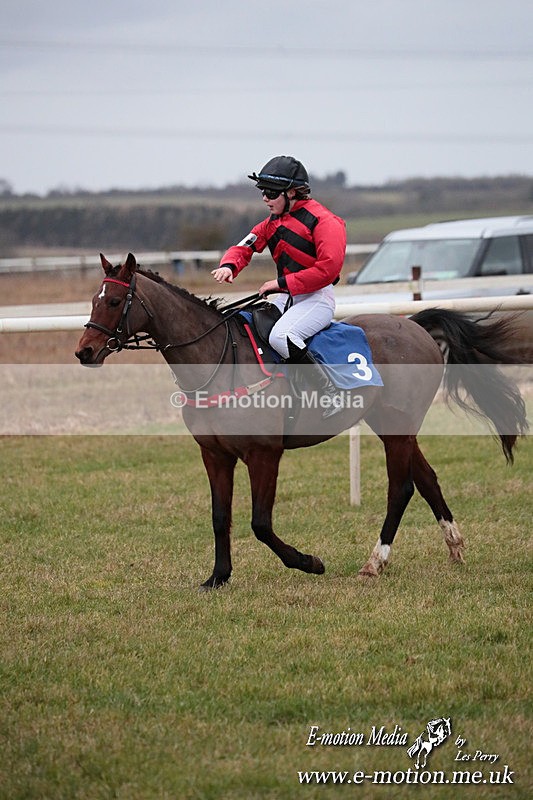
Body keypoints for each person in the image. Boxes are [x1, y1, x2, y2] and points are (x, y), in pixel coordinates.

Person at [212, 155, 347, 416]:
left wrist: (281, 283)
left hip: (316, 298)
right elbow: (245, 246)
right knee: (243, 327)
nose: (265, 197)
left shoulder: (325, 222)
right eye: (262, 191)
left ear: (293, 192)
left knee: (281, 336)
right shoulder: (271, 223)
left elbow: (328, 270)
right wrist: (229, 265)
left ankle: (331, 393)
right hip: (284, 298)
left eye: (271, 192)